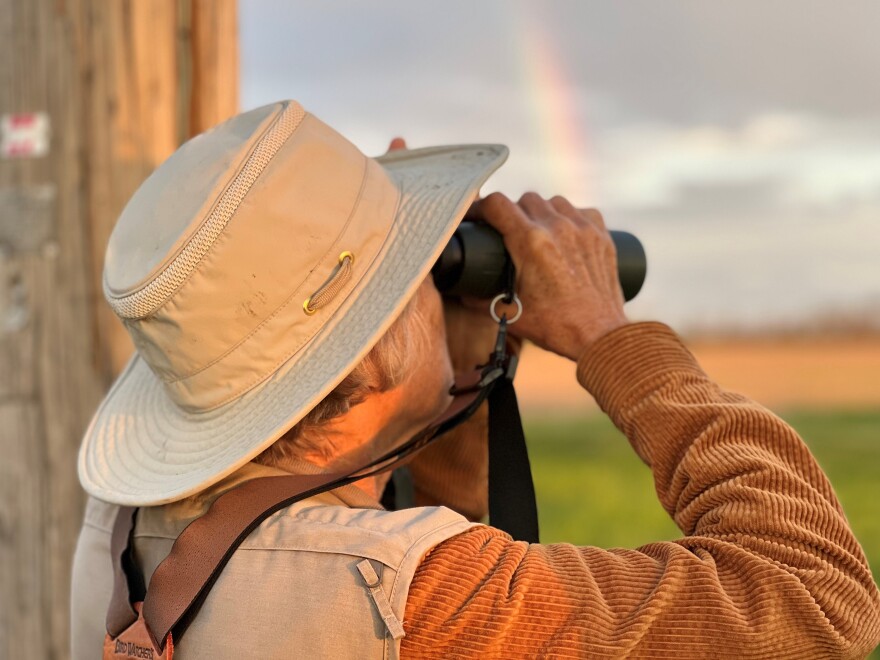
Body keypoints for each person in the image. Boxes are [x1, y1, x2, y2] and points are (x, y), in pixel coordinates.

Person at [71, 100, 880, 659]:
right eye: (415, 280)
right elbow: (817, 598)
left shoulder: (117, 534)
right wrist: (609, 335)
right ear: (371, 360)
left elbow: (366, 546)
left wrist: (450, 369)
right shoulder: (430, 595)